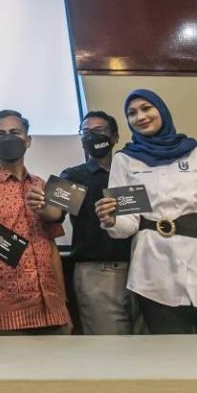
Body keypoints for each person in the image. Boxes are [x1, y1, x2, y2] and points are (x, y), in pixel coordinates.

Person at [96, 90, 197, 335]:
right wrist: (111, 221)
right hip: (154, 273)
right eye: (132, 113)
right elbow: (128, 224)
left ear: (161, 110)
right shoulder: (126, 160)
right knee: (171, 356)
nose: (140, 116)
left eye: (146, 108)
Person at [0, 110, 71, 335]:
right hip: (5, 312)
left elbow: (52, 248)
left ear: (28, 140)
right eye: (0, 134)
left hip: (52, 310)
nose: (8, 137)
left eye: (15, 132)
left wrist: (63, 303)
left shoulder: (43, 186)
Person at [60, 111, 142, 335]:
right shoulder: (73, 176)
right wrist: (43, 201)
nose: (92, 137)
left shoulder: (131, 172)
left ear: (115, 137)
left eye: (98, 132)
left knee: (149, 348)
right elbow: (53, 212)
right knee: (109, 352)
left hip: (141, 269)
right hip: (97, 273)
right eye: (86, 132)